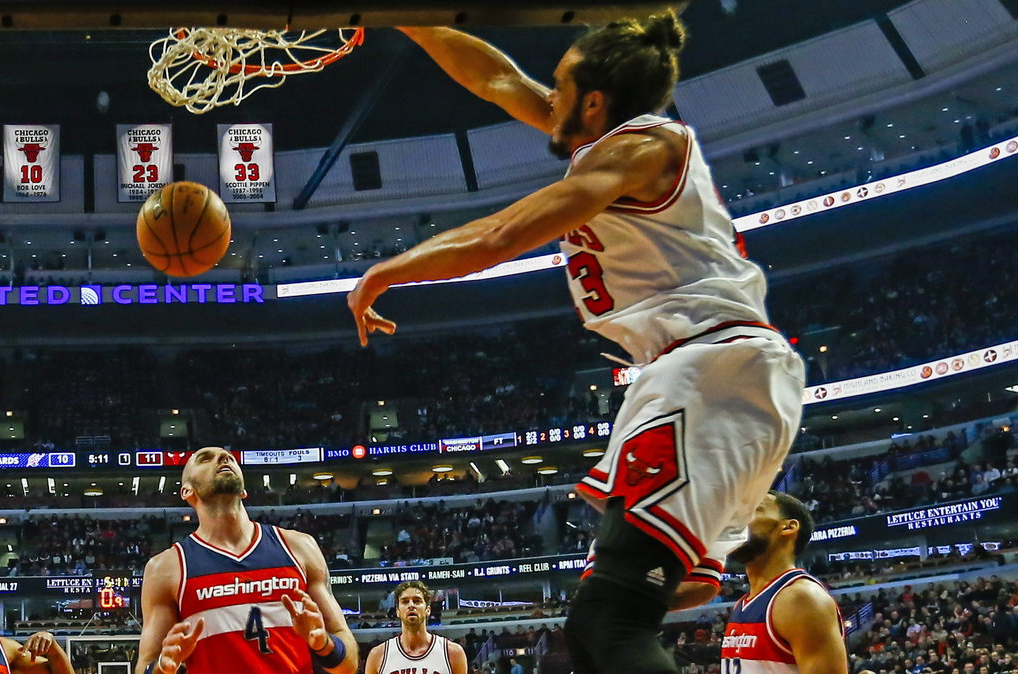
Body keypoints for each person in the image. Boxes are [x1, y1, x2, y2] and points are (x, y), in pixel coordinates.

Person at [347, 12, 804, 674]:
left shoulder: (639, 149)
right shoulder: (610, 139)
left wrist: (384, 272)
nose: (547, 96)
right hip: (708, 374)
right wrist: (413, 20)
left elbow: (500, 236)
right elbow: (496, 78)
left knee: (610, 621)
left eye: (559, 86)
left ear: (595, 101)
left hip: (709, 370)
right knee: (599, 625)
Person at [135, 447, 358, 674]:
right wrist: (163, 667)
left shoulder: (299, 547)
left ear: (244, 491)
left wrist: (324, 645)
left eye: (228, 457)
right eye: (205, 459)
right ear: (187, 491)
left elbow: (348, 664)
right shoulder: (166, 567)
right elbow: (146, 665)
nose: (224, 457)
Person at [720, 492, 847, 674]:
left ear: (788, 527)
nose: (737, 517)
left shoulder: (801, 598)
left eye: (754, 509)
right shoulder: (744, 602)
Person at [364, 581, 466, 674]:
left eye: (417, 601)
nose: (411, 605)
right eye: (405, 601)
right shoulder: (377, 655)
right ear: (397, 611)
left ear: (428, 610)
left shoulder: (453, 652)